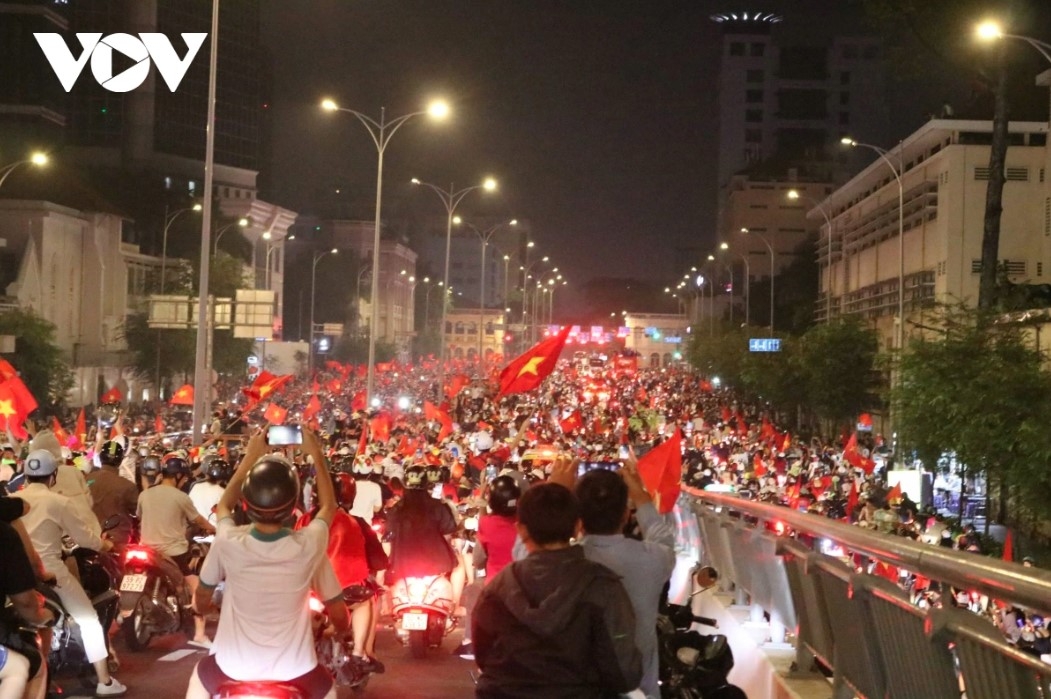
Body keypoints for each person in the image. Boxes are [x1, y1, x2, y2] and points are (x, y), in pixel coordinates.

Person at [186, 428, 350, 699]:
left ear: (247, 506)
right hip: (296, 671)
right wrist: (316, 453)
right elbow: (329, 507)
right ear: (292, 505)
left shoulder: (227, 540)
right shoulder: (309, 545)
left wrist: (251, 456)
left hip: (230, 668)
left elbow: (224, 507)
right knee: (330, 689)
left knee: (198, 678)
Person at [472, 482, 643, 699]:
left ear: (521, 529)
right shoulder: (603, 585)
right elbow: (623, 673)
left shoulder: (498, 587)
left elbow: (482, 655)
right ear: (577, 527)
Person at [14, 450, 127, 696]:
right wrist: (104, 544)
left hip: (16, 571)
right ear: (53, 475)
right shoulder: (59, 501)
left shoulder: (14, 498)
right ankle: (104, 682)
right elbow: (86, 538)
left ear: (26, 475)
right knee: (88, 620)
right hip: (49, 570)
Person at [576, 458, 676, 699]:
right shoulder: (653, 559)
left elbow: (524, 554)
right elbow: (663, 537)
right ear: (625, 514)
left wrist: (556, 489)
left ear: (578, 518)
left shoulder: (565, 563)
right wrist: (640, 495)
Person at [294, 471, 383, 677]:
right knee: (366, 602)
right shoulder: (353, 522)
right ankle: (360, 653)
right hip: (342, 589)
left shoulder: (303, 520)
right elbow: (372, 559)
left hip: (306, 588)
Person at [138, 453, 216, 647]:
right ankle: (199, 635)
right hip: (173, 552)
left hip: (145, 550)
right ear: (178, 476)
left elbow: (139, 516)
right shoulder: (181, 497)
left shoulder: (144, 494)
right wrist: (214, 528)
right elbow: (197, 520)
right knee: (197, 586)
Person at [454, 474, 520, 661]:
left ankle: (469, 641)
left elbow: (478, 559)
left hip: (494, 585)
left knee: (472, 591)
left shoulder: (487, 524)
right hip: (524, 584)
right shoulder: (527, 522)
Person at [0, 497, 53, 699]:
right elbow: (25, 602)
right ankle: (104, 679)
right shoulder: (7, 531)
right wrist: (41, 616)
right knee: (23, 666)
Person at [385, 464, 458, 581]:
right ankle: (455, 599)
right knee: (459, 568)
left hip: (403, 567)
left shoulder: (396, 509)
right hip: (436, 565)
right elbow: (448, 535)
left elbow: (388, 539)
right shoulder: (438, 506)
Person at [87, 440, 139, 552]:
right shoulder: (128, 486)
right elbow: (138, 513)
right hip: (117, 544)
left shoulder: (86, 479)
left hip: (87, 540)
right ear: (120, 461)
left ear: (100, 458)